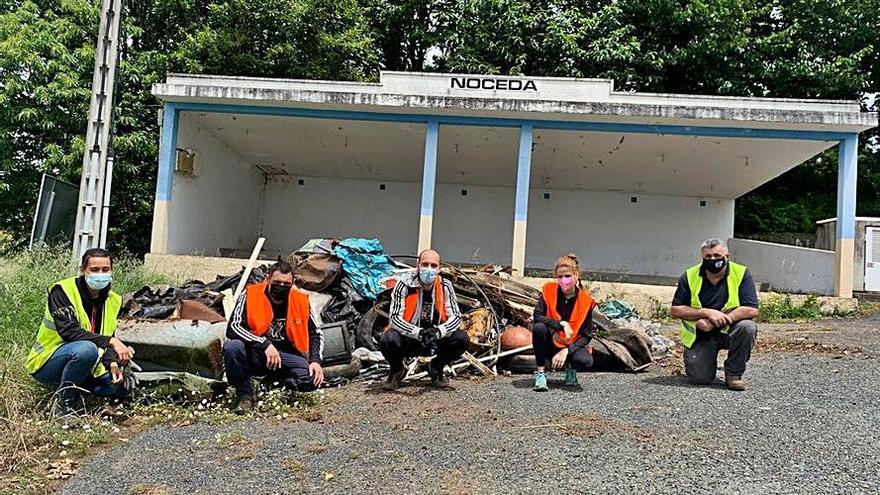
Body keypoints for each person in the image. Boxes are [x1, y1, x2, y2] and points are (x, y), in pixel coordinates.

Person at [26, 248, 132, 416]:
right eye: (94, 269)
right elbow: (69, 332)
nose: (101, 274)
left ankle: (79, 390)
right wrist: (111, 342)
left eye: (105, 269)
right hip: (48, 361)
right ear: (83, 270)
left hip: (88, 362)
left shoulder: (113, 300)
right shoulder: (62, 291)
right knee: (86, 349)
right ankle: (63, 406)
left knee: (120, 386)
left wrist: (112, 363)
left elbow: (107, 333)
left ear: (112, 270)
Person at [223, 260, 324, 413]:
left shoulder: (301, 300)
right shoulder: (251, 294)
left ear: (293, 282)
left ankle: (272, 383)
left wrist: (316, 361)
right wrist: (264, 344)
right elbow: (233, 327)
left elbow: (315, 333)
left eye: (286, 283)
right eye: (277, 282)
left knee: (312, 380)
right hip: (257, 353)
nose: (281, 286)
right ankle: (246, 396)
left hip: (286, 356)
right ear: (268, 278)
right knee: (232, 347)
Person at [671, 238, 759, 390]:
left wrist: (717, 321)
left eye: (717, 256)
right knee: (700, 379)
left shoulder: (741, 273)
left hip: (728, 331)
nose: (713, 260)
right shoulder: (689, 276)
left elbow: (751, 308)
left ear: (727, 256)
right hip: (701, 335)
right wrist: (705, 312)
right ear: (703, 258)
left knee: (747, 327)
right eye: (708, 257)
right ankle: (701, 364)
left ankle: (733, 374)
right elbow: (675, 310)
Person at [379, 249, 468, 390]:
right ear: (418, 265)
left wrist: (438, 331)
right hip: (409, 338)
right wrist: (418, 332)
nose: (429, 269)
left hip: (435, 339)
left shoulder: (445, 286)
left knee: (461, 338)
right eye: (425, 264)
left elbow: (456, 317)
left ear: (439, 269)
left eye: (433, 265)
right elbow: (395, 318)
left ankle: (435, 367)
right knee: (388, 339)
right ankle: (397, 370)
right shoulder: (404, 285)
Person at [532, 253, 597, 391]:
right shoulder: (548, 291)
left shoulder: (585, 301)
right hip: (551, 343)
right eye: (560, 277)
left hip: (572, 345)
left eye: (567, 276)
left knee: (585, 361)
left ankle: (571, 369)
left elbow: (587, 335)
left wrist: (567, 350)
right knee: (538, 328)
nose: (563, 280)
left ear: (576, 276)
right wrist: (560, 325)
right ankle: (541, 374)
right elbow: (537, 315)